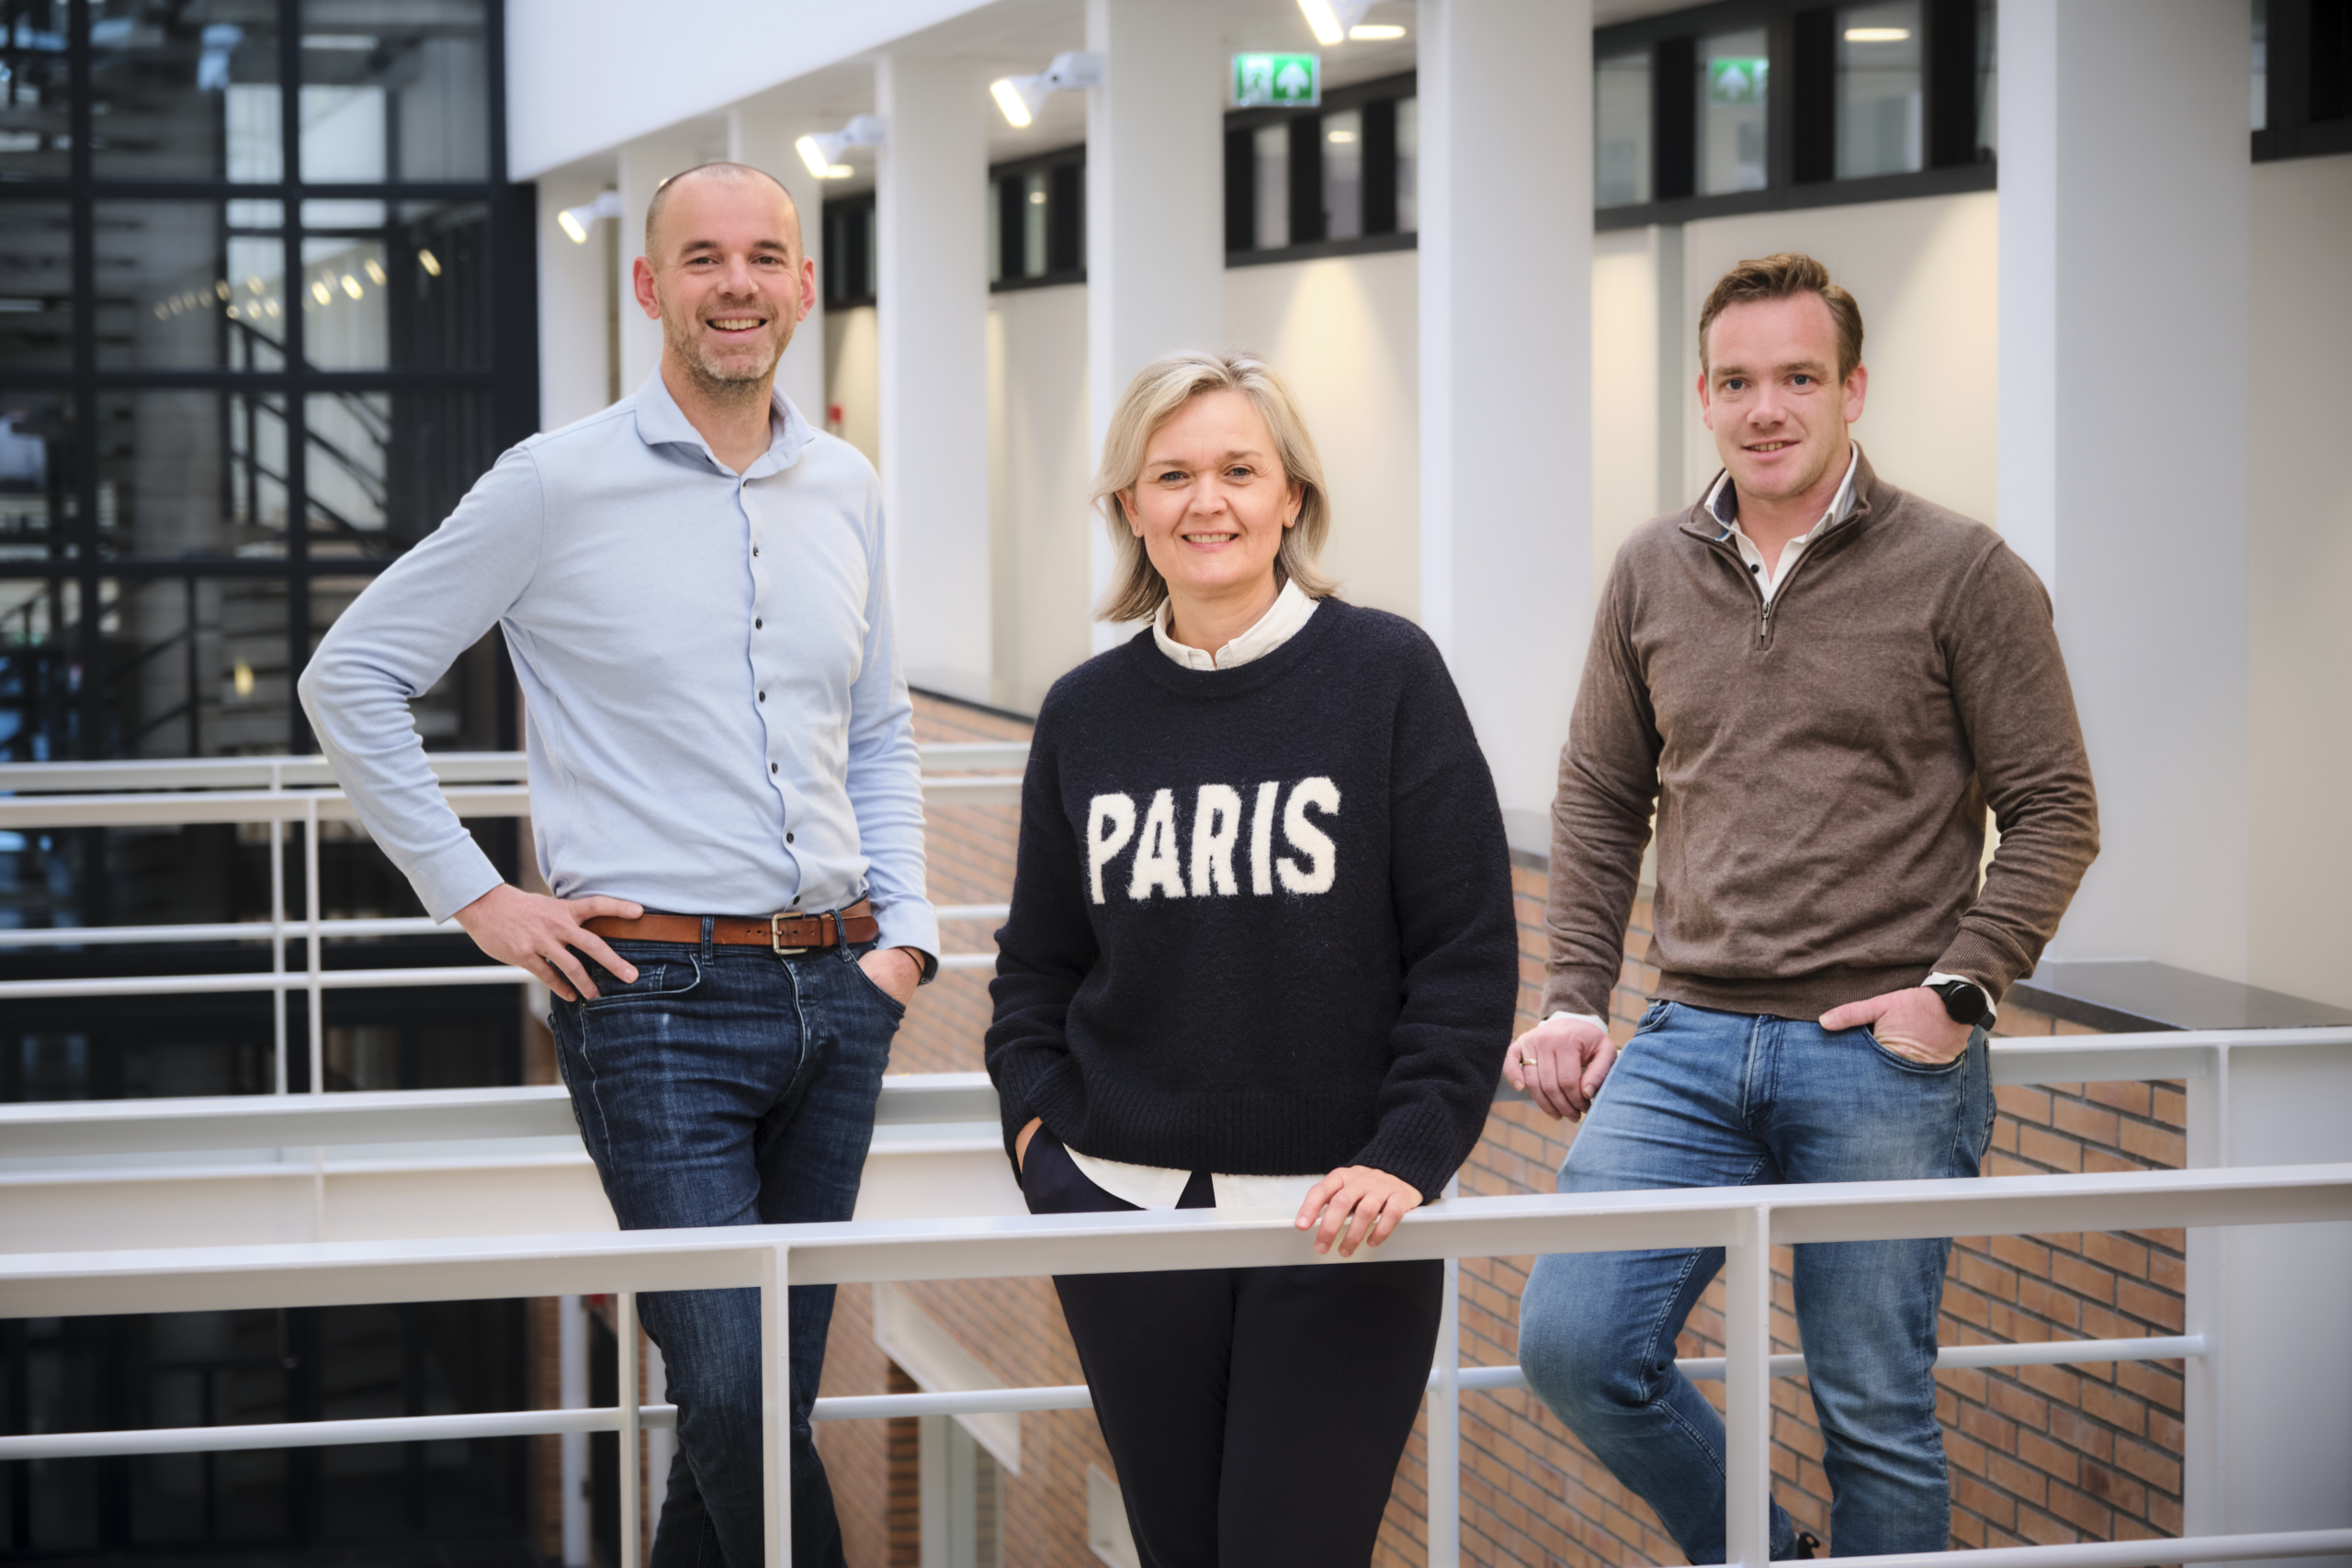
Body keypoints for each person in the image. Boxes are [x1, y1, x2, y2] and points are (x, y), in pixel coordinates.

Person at [299, 162, 936, 1567]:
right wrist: (479, 898)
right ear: (649, 288)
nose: (737, 286)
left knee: (752, 1405)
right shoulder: (553, 483)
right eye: (702, 259)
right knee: (732, 1391)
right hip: (650, 999)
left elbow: (879, 728)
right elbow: (352, 679)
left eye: (765, 257)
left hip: (840, 990)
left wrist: (910, 942)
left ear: (804, 286)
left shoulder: (847, 486)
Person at [1510, 253, 2099, 1560]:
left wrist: (1962, 992)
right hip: (1689, 1039)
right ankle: (1764, 1557)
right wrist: (1571, 996)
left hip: (1882, 1055)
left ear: (1854, 390)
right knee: (1572, 1345)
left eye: (1797, 378)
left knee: (1875, 1413)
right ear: (1704, 396)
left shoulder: (1964, 570)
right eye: (1736, 381)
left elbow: (2057, 807)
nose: (1765, 408)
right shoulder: (1649, 569)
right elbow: (1604, 798)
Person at [985, 348, 1519, 1568]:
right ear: (1131, 506)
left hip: (1339, 1230)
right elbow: (1038, 971)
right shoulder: (1083, 712)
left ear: (1293, 497)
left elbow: (1466, 953)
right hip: (1120, 1222)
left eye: (1239, 469)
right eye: (1171, 474)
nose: (1206, 501)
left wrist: (1410, 1152)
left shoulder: (1388, 675)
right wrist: (1040, 1152)